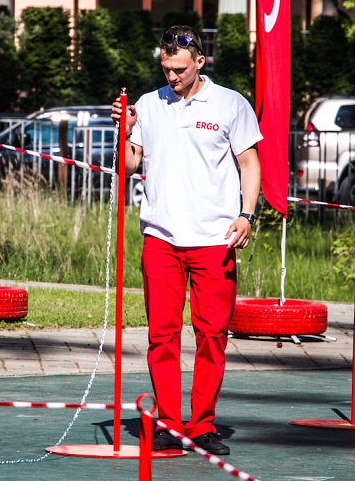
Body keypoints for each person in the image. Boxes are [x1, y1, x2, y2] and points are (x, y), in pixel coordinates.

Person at [111, 25, 262, 455]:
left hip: (215, 238)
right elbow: (129, 166)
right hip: (161, 236)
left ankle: (202, 425)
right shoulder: (148, 104)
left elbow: (249, 163)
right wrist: (124, 131)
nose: (171, 76)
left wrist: (247, 214)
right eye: (165, 68)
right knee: (162, 335)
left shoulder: (231, 103)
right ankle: (170, 424)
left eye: (179, 69)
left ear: (200, 61)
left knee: (212, 334)